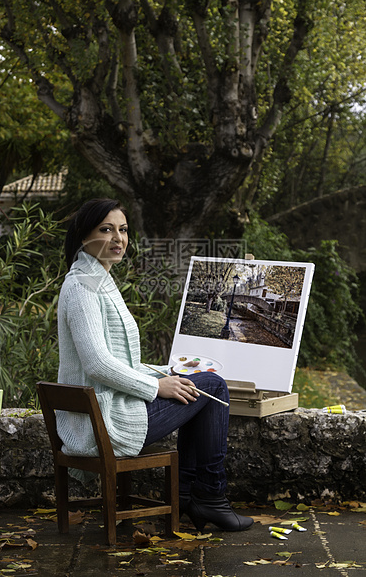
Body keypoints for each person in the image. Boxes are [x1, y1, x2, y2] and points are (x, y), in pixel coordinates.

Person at [56, 198, 253, 532]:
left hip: (105, 408)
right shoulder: (82, 287)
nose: (118, 238)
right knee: (214, 386)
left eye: (123, 230)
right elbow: (98, 364)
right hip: (103, 421)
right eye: (106, 230)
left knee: (195, 383)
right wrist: (156, 386)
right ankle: (207, 497)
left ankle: (194, 496)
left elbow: (119, 361)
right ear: (83, 236)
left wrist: (164, 372)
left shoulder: (97, 278)